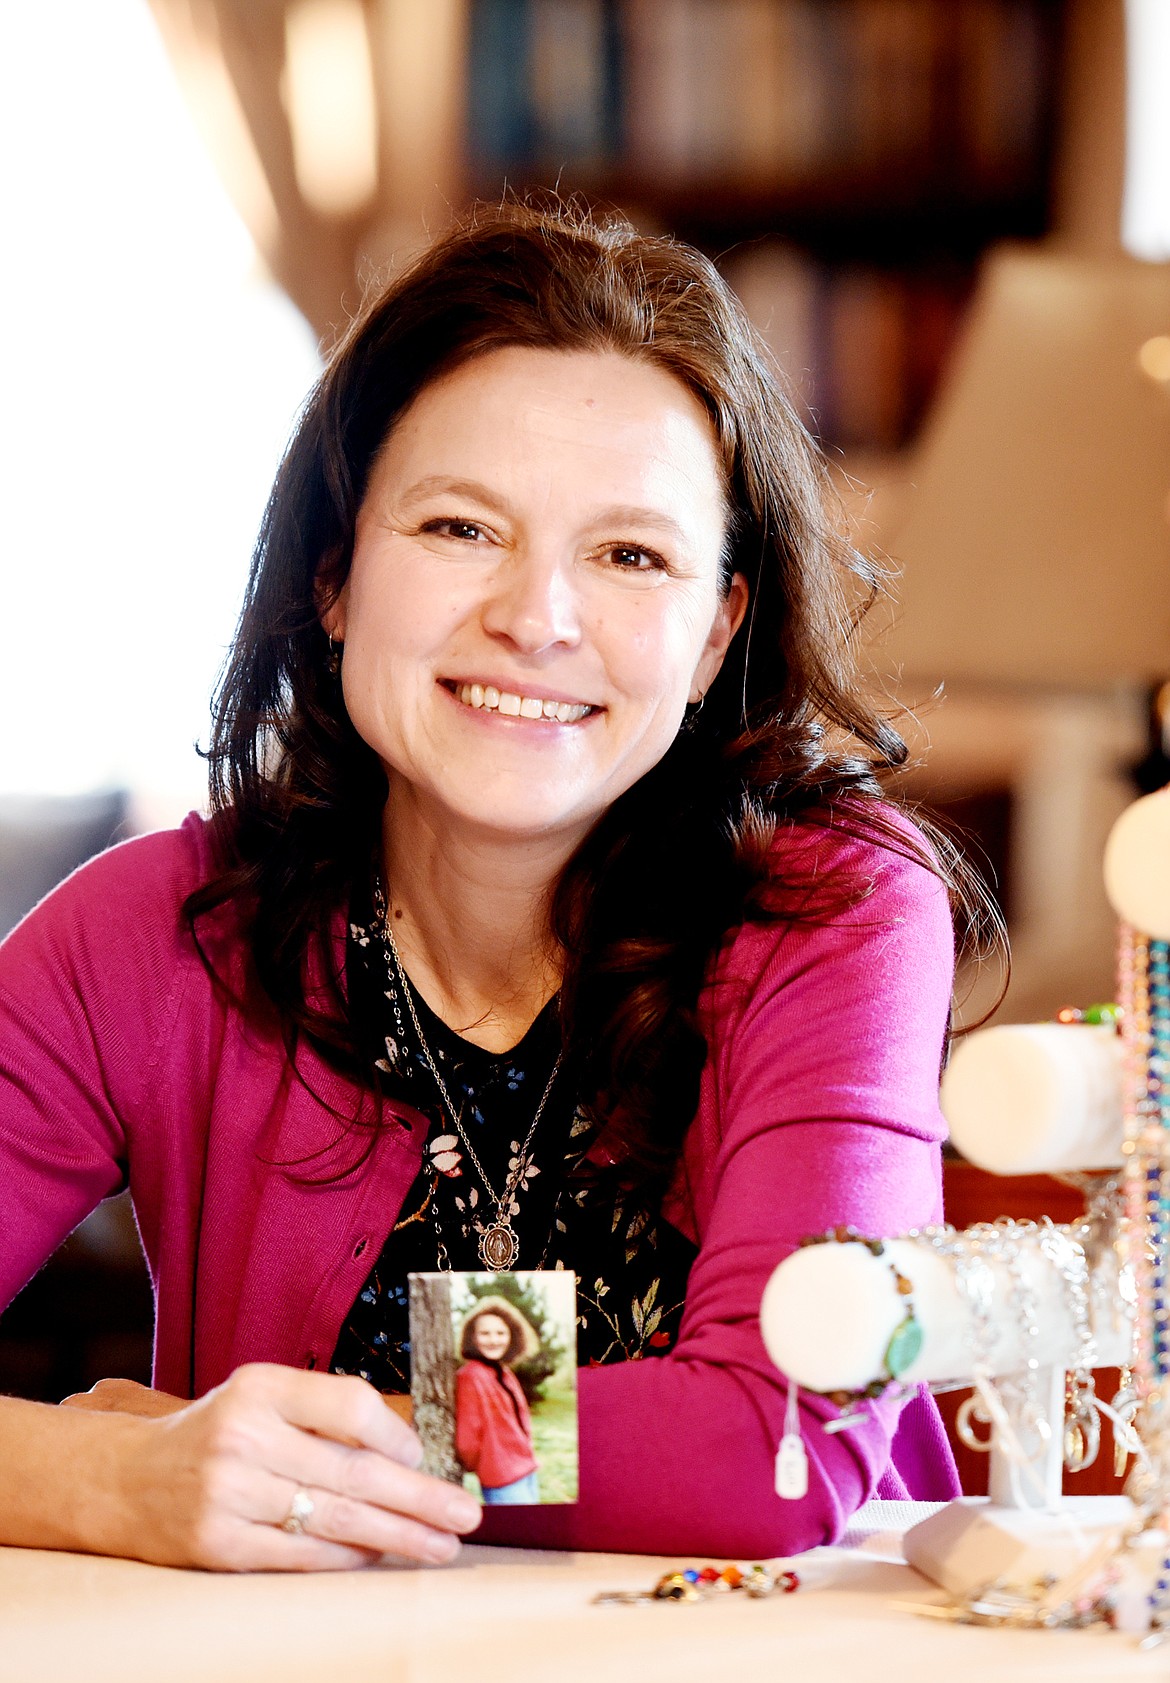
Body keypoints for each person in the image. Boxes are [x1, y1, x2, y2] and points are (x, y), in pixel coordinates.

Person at [0, 198, 972, 1573]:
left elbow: (783, 1432)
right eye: (460, 527)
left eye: (629, 554)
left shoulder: (834, 909)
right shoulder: (152, 933)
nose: (538, 616)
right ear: (333, 573)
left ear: (715, 632)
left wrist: (310, 1456)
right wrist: (92, 1472)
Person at [455, 1299, 541, 1505]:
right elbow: (467, 1439)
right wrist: (486, 1464)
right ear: (472, 1338)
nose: (493, 1340)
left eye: (501, 1333)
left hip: (527, 1469)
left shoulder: (503, 1371)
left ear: (512, 1337)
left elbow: (521, 1417)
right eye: (485, 1333)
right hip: (502, 1478)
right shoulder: (470, 1376)